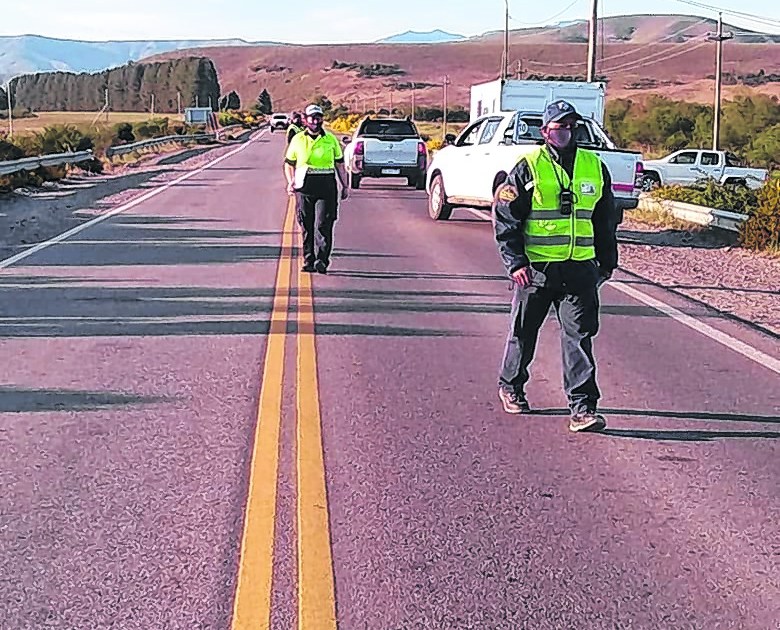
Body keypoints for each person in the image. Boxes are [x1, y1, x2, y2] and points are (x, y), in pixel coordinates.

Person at [492, 100, 618, 433]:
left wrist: (607, 262)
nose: (564, 133)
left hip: (579, 270)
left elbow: (605, 219)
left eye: (569, 127)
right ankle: (512, 386)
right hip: (536, 270)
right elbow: (506, 218)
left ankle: (583, 407)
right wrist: (515, 262)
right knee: (523, 333)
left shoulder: (594, 165)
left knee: (579, 338)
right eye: (557, 128)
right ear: (545, 131)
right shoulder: (528, 166)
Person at [283, 104, 349, 274]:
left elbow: (339, 164)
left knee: (324, 223)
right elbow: (289, 164)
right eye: (312, 117)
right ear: (305, 120)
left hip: (326, 183)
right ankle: (308, 259)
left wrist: (345, 185)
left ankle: (322, 260)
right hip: (304, 184)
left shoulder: (330, 139)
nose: (315, 121)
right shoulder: (298, 139)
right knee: (306, 224)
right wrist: (291, 182)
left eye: (318, 117)